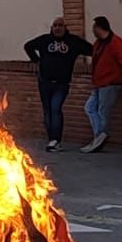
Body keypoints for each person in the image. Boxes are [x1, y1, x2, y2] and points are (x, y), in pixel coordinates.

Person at [24, 16, 91, 151]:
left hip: (61, 84)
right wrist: (37, 61)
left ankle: (55, 140)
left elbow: (91, 50)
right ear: (51, 28)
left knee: (55, 109)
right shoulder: (45, 40)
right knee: (47, 111)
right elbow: (28, 46)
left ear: (65, 28)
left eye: (60, 25)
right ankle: (51, 140)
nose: (57, 28)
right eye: (55, 25)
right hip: (44, 82)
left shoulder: (73, 42)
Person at [81, 16, 122, 151]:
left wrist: (116, 76)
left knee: (103, 111)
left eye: (94, 27)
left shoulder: (115, 43)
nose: (92, 30)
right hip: (99, 83)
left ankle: (99, 138)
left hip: (110, 83)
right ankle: (100, 136)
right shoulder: (99, 43)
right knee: (89, 107)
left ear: (99, 28)